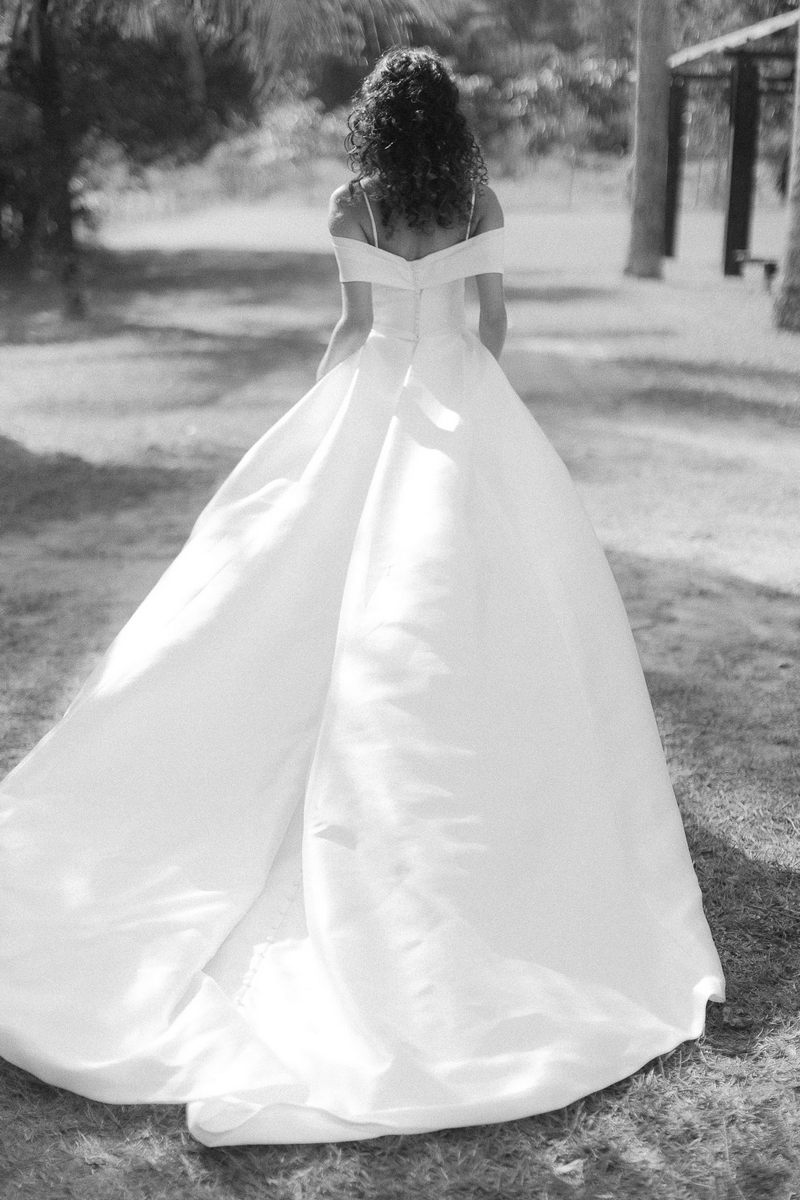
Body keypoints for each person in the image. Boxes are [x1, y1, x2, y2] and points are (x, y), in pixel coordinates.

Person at [0, 47, 724, 1146]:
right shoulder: (477, 199)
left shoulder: (355, 203)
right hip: (458, 395)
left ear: (377, 124)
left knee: (303, 574)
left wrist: (324, 411)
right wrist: (476, 400)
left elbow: (351, 326)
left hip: (376, 387)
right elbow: (488, 322)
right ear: (449, 121)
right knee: (455, 600)